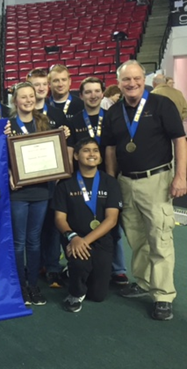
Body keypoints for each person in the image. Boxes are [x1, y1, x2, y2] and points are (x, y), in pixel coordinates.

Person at [102, 60, 187, 321]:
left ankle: (163, 294)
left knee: (159, 237)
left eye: (136, 78)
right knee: (136, 237)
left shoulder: (162, 105)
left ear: (144, 79)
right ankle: (143, 281)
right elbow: (111, 149)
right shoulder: (114, 112)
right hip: (125, 182)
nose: (132, 83)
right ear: (119, 83)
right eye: (126, 80)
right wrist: (111, 181)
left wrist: (181, 175)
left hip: (157, 180)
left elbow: (179, 140)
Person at [67, 77, 129, 286]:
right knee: (81, 220)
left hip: (108, 177)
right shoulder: (75, 120)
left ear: (102, 93)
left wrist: (112, 177)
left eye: (96, 91)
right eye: (88, 92)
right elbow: (69, 152)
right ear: (81, 95)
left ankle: (118, 269)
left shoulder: (113, 117)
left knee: (114, 225)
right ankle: (77, 261)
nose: (93, 95)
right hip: (82, 178)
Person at [54, 138, 122, 312]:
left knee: (98, 296)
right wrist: (73, 237)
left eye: (95, 150)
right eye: (86, 150)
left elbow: (112, 219)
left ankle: (74, 273)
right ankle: (75, 292)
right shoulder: (65, 184)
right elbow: (60, 218)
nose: (92, 154)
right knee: (80, 263)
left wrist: (85, 240)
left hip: (100, 240)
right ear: (76, 155)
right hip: (74, 238)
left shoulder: (110, 182)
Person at [6, 82, 52, 306]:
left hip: (41, 190)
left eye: (31, 96)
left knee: (34, 241)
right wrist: (8, 174)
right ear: (15, 101)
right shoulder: (7, 125)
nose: (28, 100)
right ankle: (19, 286)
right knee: (18, 242)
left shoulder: (43, 121)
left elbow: (52, 149)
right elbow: (1, 155)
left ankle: (33, 285)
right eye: (23, 97)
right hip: (18, 192)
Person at [27, 68, 69, 288]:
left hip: (51, 178)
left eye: (44, 84)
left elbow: (65, 148)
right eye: (36, 85)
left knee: (52, 224)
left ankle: (52, 266)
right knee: (31, 227)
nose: (40, 88)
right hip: (26, 181)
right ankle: (34, 265)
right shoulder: (18, 114)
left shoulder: (57, 114)